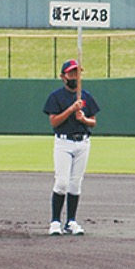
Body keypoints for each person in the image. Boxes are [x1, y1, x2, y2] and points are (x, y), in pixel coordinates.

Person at [43, 59, 99, 236]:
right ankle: (55, 222)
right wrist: (70, 109)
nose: (75, 76)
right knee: (61, 183)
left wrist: (83, 119)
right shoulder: (56, 97)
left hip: (82, 142)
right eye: (71, 73)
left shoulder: (86, 96)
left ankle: (71, 221)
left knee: (75, 185)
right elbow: (54, 121)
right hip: (63, 142)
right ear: (63, 76)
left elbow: (93, 123)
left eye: (77, 73)